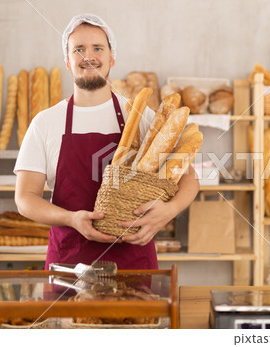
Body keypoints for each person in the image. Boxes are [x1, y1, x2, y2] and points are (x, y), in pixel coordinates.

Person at [14, 14, 200, 270]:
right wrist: (70, 219)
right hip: (70, 268)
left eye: (97, 48)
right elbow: (25, 198)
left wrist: (170, 211)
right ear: (67, 61)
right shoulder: (46, 123)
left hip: (133, 266)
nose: (88, 56)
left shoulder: (139, 116)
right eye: (78, 49)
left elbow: (190, 176)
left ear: (112, 57)